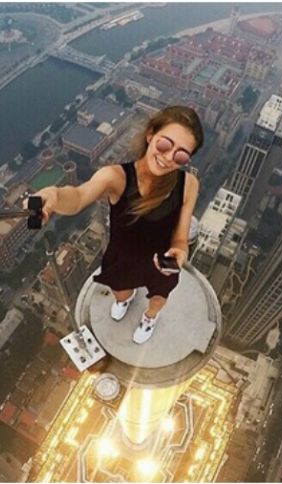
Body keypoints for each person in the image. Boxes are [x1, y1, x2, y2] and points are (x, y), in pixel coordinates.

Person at [31, 106, 202, 344]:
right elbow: (79, 197)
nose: (168, 157)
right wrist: (55, 195)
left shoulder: (188, 184)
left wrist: (180, 252)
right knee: (120, 292)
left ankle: (149, 318)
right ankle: (125, 299)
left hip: (161, 261)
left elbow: (180, 238)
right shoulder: (116, 177)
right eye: (165, 144)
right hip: (123, 256)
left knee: (159, 298)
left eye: (181, 155)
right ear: (150, 135)